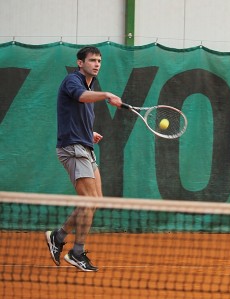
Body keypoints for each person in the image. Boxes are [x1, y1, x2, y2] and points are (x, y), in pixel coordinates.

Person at [45, 46, 122, 272]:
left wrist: (89, 134)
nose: (97, 64)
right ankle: (77, 252)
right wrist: (107, 95)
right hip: (73, 149)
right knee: (89, 200)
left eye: (99, 60)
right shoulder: (73, 81)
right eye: (92, 60)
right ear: (80, 63)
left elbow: (74, 114)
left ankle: (58, 237)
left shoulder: (90, 86)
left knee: (95, 200)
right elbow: (80, 97)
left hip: (84, 146)